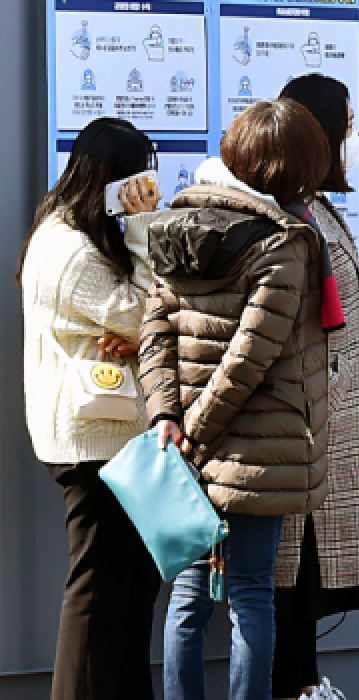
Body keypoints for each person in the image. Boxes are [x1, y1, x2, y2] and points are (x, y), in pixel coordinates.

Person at [139, 98, 340, 700]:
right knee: (250, 593)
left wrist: (168, 418)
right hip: (258, 452)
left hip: (187, 446)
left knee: (188, 596)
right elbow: (250, 358)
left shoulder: (180, 222)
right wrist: (194, 432)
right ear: (296, 168)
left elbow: (155, 330)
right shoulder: (285, 244)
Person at [20, 117, 163, 700]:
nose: (144, 191)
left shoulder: (76, 232)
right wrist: (143, 226)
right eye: (137, 180)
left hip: (112, 436)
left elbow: (138, 319)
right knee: (99, 587)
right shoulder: (69, 248)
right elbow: (146, 312)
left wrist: (135, 334)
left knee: (131, 588)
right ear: (110, 179)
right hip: (92, 442)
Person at [271, 74, 359, 700]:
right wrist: (327, 397)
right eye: (348, 123)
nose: (354, 135)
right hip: (309, 427)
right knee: (293, 577)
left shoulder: (315, 206)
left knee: (303, 579)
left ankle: (304, 683)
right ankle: (296, 689)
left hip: (325, 427)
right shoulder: (297, 217)